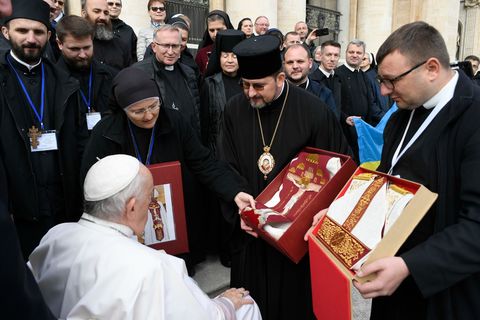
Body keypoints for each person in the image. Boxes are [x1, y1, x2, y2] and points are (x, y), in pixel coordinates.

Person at [345, 21, 480, 320]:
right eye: (381, 80)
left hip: (445, 292)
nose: (383, 91)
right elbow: (383, 182)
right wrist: (338, 218)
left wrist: (411, 266)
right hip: (393, 283)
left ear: (431, 68)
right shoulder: (401, 115)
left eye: (391, 80)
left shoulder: (474, 118)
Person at [29, 154, 262, 320]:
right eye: (150, 199)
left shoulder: (55, 236)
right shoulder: (154, 267)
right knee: (246, 308)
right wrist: (226, 303)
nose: (152, 207)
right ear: (131, 208)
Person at [221, 35, 349, 320]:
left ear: (280, 78)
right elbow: (225, 164)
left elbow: (337, 171)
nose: (250, 94)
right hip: (251, 236)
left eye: (258, 86)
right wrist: (237, 206)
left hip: (295, 241)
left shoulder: (315, 111)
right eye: (244, 85)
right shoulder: (233, 109)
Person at [81, 66, 254, 274]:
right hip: (127, 217)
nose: (148, 116)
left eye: (154, 106)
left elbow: (204, 162)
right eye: (138, 111)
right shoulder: (106, 132)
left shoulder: (175, 121)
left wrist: (234, 192)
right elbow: (94, 183)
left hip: (173, 215)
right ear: (122, 109)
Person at [0, 0, 88, 258]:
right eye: (22, 31)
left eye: (38, 32)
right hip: (20, 206)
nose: (31, 39)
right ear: (6, 32)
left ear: (49, 36)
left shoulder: (65, 82)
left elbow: (79, 140)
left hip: (64, 202)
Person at [200, 29, 245, 267]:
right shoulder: (210, 84)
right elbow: (206, 124)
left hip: (246, 151)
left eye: (235, 56)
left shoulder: (249, 83)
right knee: (223, 204)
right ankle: (226, 249)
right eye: (225, 55)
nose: (229, 60)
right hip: (218, 153)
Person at [135, 24, 201, 135]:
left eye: (175, 46)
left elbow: (196, 111)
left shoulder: (189, 73)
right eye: (166, 45)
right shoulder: (139, 72)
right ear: (154, 47)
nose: (170, 52)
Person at [56, 15, 116, 127]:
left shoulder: (110, 75)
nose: (83, 55)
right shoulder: (51, 81)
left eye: (87, 47)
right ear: (60, 44)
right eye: (75, 49)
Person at [335, 39, 384, 161]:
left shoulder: (365, 77)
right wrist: (344, 117)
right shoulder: (337, 74)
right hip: (344, 132)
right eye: (351, 52)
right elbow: (333, 104)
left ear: (363, 56)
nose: (355, 55)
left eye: (358, 52)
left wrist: (386, 119)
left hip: (362, 132)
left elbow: (371, 104)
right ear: (345, 53)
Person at [283, 43, 337, 116]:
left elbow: (332, 124)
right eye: (290, 62)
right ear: (284, 65)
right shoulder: (274, 93)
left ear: (310, 63)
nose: (295, 66)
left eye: (300, 61)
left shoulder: (324, 94)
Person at [82, 0, 132, 72]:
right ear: (84, 13)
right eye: (97, 11)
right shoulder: (76, 44)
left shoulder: (121, 45)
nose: (103, 17)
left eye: (106, 13)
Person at [310, 40, 343, 120]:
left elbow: (338, 106)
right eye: (329, 55)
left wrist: (345, 118)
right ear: (320, 56)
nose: (332, 59)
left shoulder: (338, 78)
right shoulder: (312, 80)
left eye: (336, 55)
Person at [195, 10, 233, 75]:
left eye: (219, 30)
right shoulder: (202, 54)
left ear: (228, 28)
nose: (215, 34)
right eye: (212, 30)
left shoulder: (238, 51)